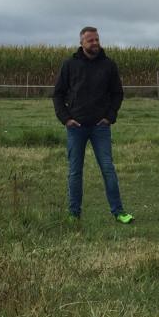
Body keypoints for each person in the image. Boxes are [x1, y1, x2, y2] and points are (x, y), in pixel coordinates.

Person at [53, 27, 131, 223]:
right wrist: (66, 119)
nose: (95, 43)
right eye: (90, 40)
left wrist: (109, 117)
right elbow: (58, 94)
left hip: (100, 128)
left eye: (97, 39)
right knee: (75, 171)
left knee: (107, 168)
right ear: (82, 43)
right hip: (76, 128)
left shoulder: (108, 65)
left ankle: (118, 212)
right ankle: (73, 213)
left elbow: (117, 93)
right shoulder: (69, 65)